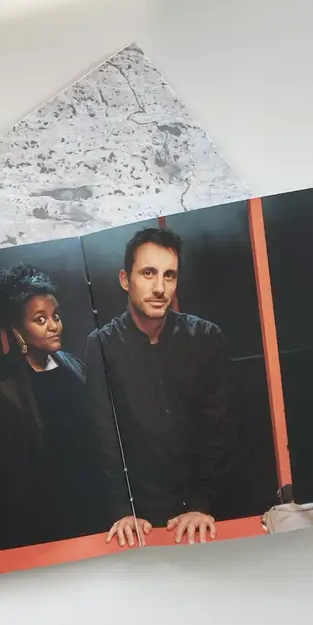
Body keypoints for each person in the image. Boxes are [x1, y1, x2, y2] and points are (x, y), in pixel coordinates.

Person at [0, 263, 111, 551]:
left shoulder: (73, 366)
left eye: (55, 316)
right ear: (17, 330)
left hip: (91, 508)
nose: (54, 325)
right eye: (40, 319)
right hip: (36, 524)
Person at [85, 227, 240, 548]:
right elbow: (104, 438)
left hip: (204, 513)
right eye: (148, 273)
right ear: (125, 279)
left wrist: (202, 505)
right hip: (138, 521)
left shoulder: (206, 338)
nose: (160, 288)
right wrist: (122, 511)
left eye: (169, 276)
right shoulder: (101, 345)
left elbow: (221, 430)